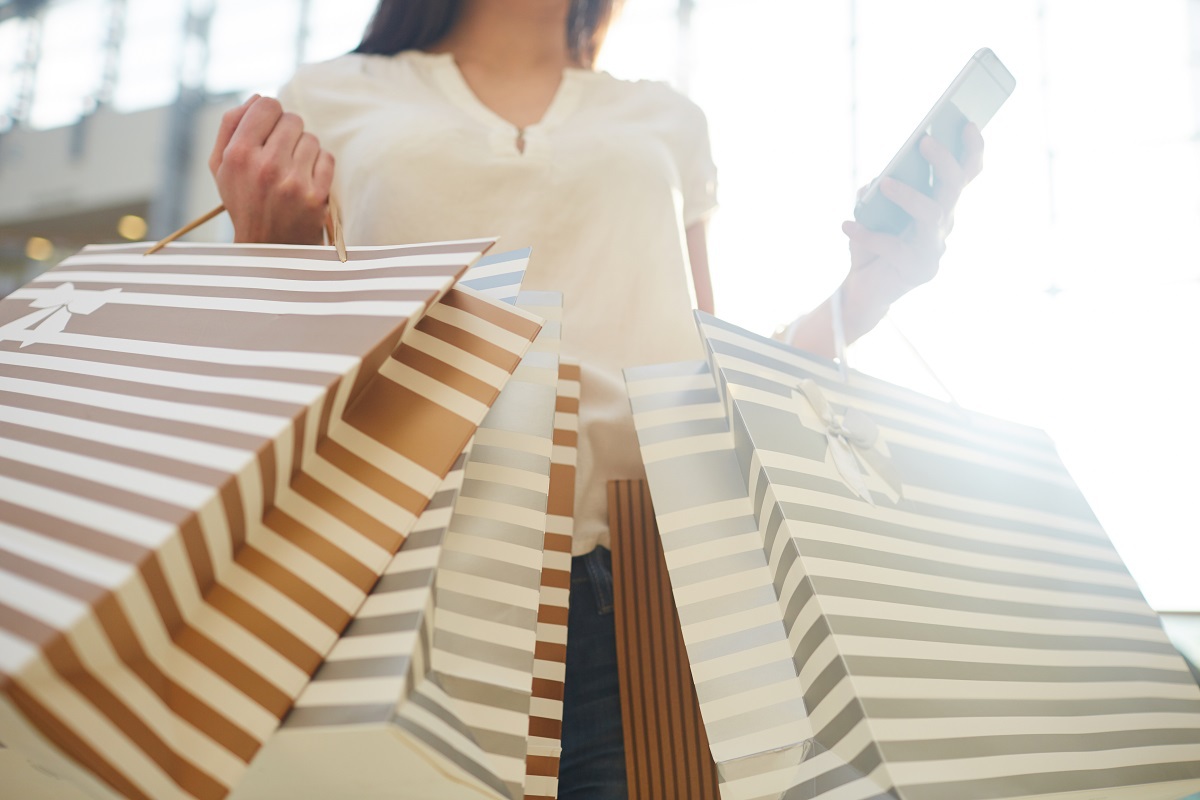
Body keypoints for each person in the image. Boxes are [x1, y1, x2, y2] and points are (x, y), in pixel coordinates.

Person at [208, 1, 984, 796]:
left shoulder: (664, 118)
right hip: (414, 583)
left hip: (652, 587)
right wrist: (274, 263)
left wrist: (865, 294)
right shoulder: (327, 95)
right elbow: (279, 403)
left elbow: (706, 386)